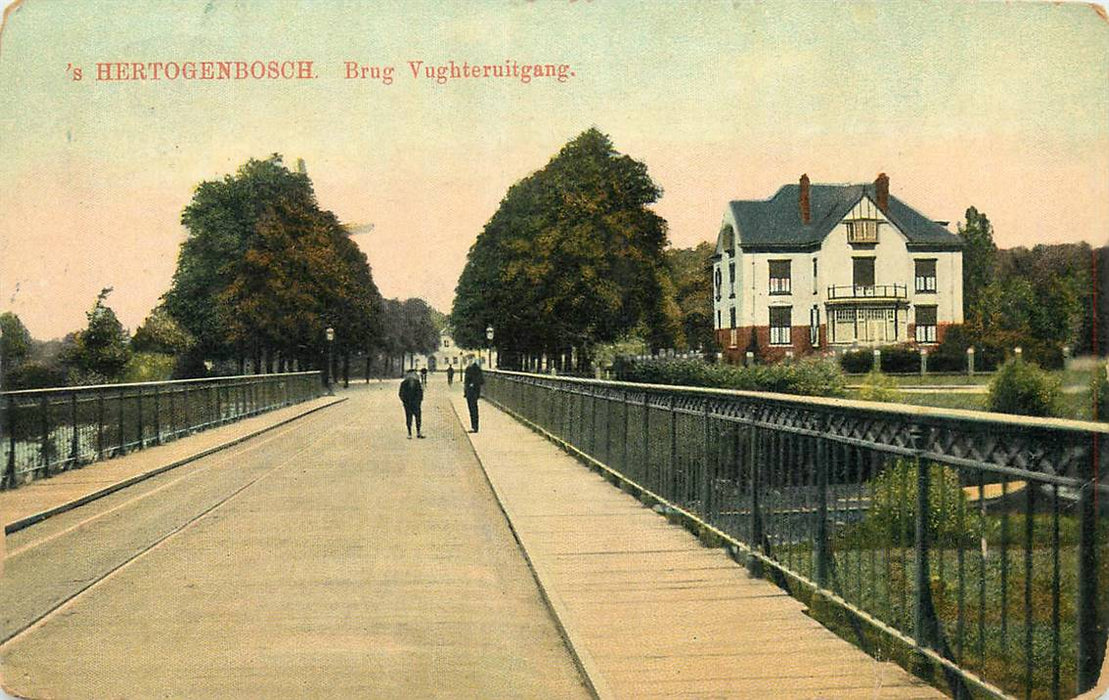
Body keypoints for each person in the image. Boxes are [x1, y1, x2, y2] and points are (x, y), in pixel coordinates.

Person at [399, 369, 425, 439]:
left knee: (418, 418)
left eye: (413, 374)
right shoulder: (404, 383)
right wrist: (405, 401)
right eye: (410, 374)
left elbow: (420, 393)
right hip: (408, 404)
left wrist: (419, 401)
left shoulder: (417, 383)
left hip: (416, 404)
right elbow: (401, 394)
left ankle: (418, 432)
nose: (411, 376)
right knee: (408, 418)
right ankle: (409, 433)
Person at [463, 360, 484, 433]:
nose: (468, 361)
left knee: (473, 409)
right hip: (469, 393)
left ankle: (475, 427)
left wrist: (473, 384)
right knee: (471, 409)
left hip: (473, 392)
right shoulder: (468, 369)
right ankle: (473, 426)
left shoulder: (476, 369)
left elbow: (481, 381)